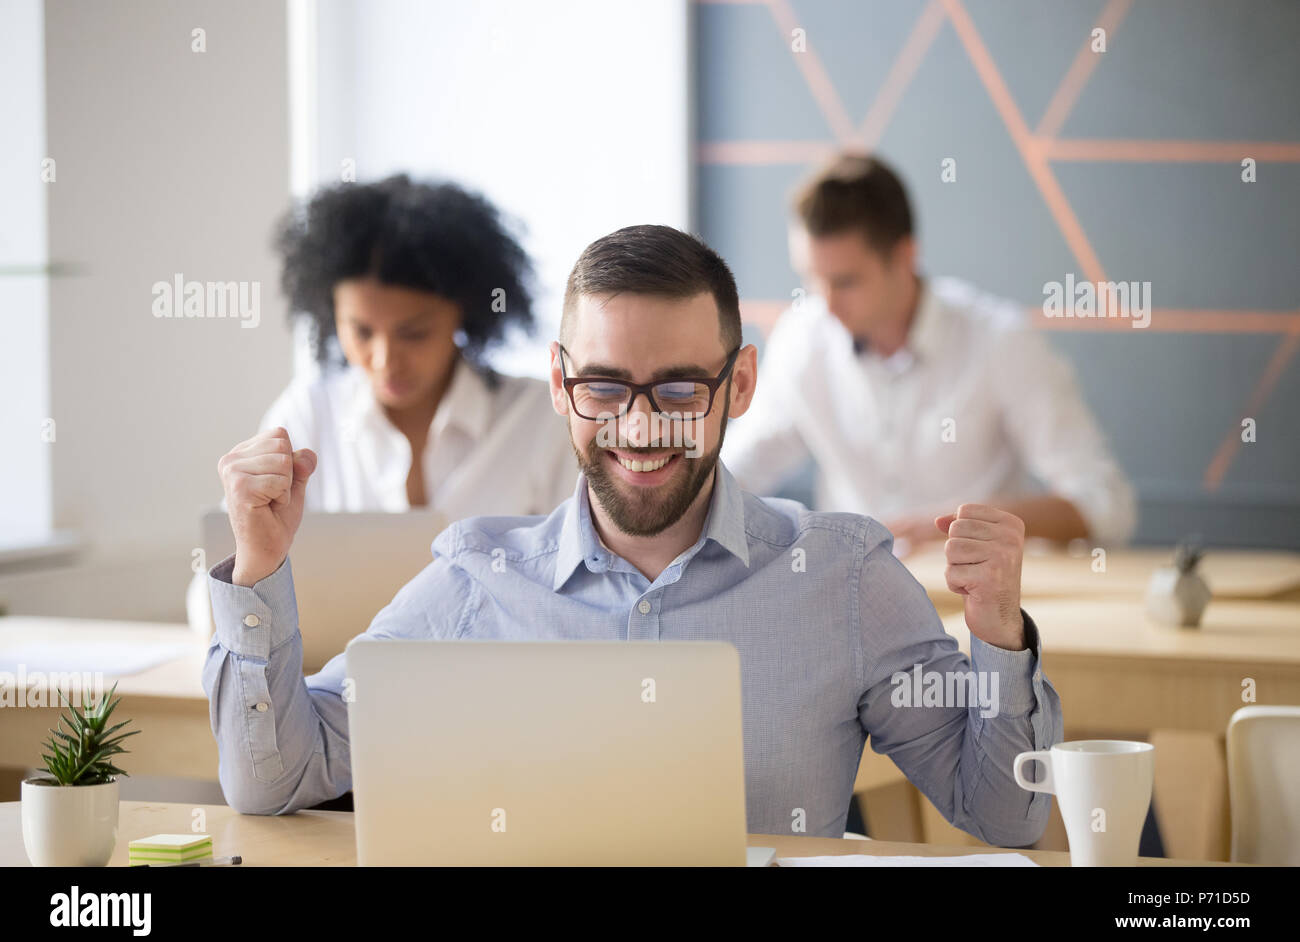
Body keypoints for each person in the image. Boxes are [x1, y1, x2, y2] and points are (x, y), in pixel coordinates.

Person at [202, 225, 1063, 844]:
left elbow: (1004, 813)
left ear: (741, 383)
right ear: (559, 382)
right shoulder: (476, 581)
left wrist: (997, 637)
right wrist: (261, 570)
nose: (641, 427)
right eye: (606, 388)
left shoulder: (843, 577)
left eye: (681, 389)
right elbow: (274, 779)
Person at [188, 175, 575, 630]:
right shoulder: (310, 413)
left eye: (414, 333)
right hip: (337, 688)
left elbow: (585, 595)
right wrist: (250, 548)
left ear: (464, 312)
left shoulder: (539, 419)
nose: (385, 360)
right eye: (362, 331)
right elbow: (206, 612)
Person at [721, 153, 1136, 556]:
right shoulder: (802, 341)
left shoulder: (1000, 341)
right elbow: (737, 471)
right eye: (812, 279)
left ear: (904, 256)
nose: (826, 305)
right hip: (848, 606)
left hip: (977, 604)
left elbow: (1106, 504)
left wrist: (957, 526)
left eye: (845, 281)